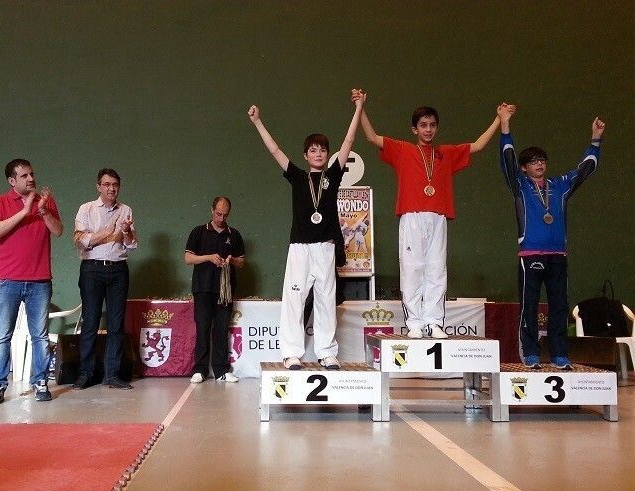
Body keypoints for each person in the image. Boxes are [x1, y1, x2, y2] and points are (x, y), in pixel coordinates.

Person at [353, 89, 502, 339]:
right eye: (423, 125)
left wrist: (498, 119)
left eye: (432, 125)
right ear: (414, 129)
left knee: (436, 270)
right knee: (412, 269)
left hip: (438, 217)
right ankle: (414, 323)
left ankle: (433, 322)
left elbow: (477, 145)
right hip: (412, 216)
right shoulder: (402, 150)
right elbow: (371, 137)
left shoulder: (446, 153)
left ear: (437, 128)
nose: (428, 129)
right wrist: (361, 106)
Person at [247, 91, 363, 370]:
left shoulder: (333, 175)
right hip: (300, 247)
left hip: (325, 247)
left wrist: (358, 107)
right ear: (305, 155)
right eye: (313, 150)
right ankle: (291, 353)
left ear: (328, 154)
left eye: (322, 150)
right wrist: (258, 122)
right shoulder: (298, 177)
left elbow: (349, 141)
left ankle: (326, 352)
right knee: (294, 298)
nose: (318, 154)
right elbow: (275, 150)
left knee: (326, 299)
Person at [498, 105, 605, 370]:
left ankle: (559, 354)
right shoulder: (520, 185)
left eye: (542, 160)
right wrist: (505, 126)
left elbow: (585, 169)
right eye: (534, 161)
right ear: (524, 168)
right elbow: (508, 159)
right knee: (529, 307)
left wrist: (595, 140)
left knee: (559, 306)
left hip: (558, 256)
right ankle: (531, 353)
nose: (540, 164)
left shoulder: (560, 186)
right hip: (530, 256)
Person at [0, 159, 63, 405]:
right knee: (2, 335)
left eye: (32, 174)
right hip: (6, 280)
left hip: (39, 280)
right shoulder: (0, 201)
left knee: (39, 335)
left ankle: (40, 383)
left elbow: (58, 231)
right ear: (12, 181)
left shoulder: (45, 201)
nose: (31, 178)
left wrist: (43, 211)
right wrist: (24, 211)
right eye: (24, 176)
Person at [73, 168, 137, 389]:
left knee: (116, 324)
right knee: (90, 322)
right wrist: (108, 232)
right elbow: (81, 241)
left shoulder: (126, 209)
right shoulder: (86, 209)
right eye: (107, 184)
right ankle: (86, 374)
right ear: (98, 187)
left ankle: (112, 375)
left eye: (115, 185)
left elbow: (131, 244)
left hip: (118, 270)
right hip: (92, 269)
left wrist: (126, 232)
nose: (111, 188)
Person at [184, 197, 244, 383]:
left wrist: (232, 260)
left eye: (225, 214)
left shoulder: (234, 234)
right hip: (202, 288)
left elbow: (241, 262)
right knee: (202, 329)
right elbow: (188, 259)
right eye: (218, 213)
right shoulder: (199, 231)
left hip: (225, 291)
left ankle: (222, 371)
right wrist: (209, 257)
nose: (221, 218)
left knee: (221, 330)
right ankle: (200, 370)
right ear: (212, 210)